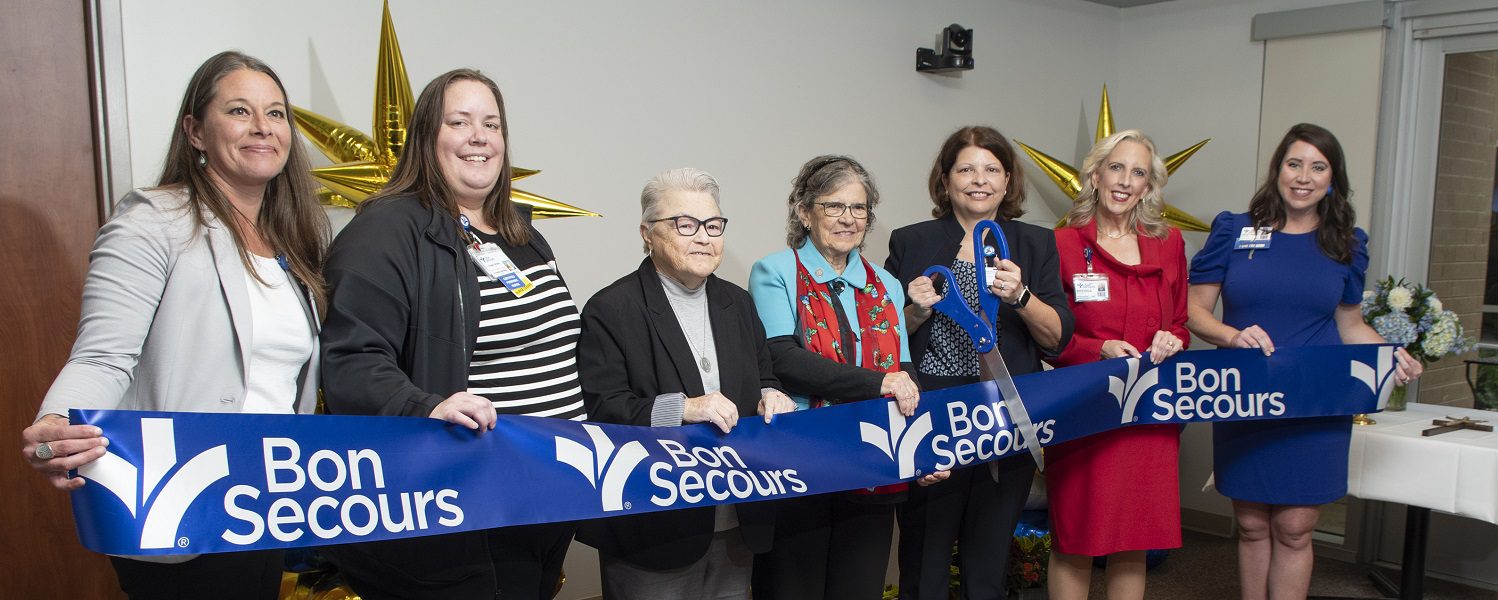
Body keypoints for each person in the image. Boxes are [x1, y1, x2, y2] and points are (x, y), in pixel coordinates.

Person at [19, 51, 328, 599]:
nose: (262, 127)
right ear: (195, 131)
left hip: (262, 507)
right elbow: (102, 356)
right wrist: (56, 420)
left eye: (276, 113)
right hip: (180, 506)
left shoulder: (296, 241)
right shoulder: (153, 222)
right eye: (239, 110)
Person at [319, 69, 585, 599]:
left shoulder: (521, 234)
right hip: (467, 501)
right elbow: (352, 359)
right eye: (459, 122)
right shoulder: (386, 229)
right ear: (426, 137)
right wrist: (423, 407)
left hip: (550, 494)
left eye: (491, 123)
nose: (479, 136)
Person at [1186, 123, 1422, 600]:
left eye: (1318, 167)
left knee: (1295, 526)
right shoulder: (1234, 229)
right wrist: (1233, 336)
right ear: (1278, 170)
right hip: (1248, 393)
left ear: (1332, 179)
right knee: (1251, 524)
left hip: (1317, 399)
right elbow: (1192, 311)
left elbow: (1350, 324)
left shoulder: (1345, 243)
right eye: (1294, 164)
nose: (1303, 177)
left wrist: (1390, 353)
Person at [576, 168, 796, 600]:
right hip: (653, 527)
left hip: (737, 518)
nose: (704, 238)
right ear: (647, 233)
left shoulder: (738, 302)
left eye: (714, 225)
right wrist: (683, 408)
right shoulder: (611, 309)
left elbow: (764, 375)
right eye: (685, 224)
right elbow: (601, 410)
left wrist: (772, 394)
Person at [885, 126, 1074, 600]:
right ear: (945, 179)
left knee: (987, 563)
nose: (979, 179)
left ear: (1007, 182)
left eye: (991, 169)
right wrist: (916, 310)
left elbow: (1057, 339)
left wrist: (1022, 296)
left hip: (1004, 419)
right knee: (923, 564)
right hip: (932, 418)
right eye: (966, 168)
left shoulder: (1034, 243)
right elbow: (883, 340)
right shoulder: (911, 240)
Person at [746, 155, 921, 599]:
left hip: (874, 460)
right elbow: (782, 358)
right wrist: (875, 383)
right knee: (792, 588)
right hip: (801, 459)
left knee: (858, 588)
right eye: (833, 206)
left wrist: (923, 446)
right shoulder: (775, 271)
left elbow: (904, 372)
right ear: (804, 212)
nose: (848, 218)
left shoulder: (888, 285)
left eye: (859, 208)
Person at [1044, 130, 1187, 600]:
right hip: (1086, 412)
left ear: (1149, 185)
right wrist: (1097, 348)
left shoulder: (1170, 245)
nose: (1126, 181)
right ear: (1095, 174)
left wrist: (1173, 338)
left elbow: (1182, 322)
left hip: (1149, 414)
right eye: (1117, 168)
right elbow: (1047, 335)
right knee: (1075, 538)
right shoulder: (1060, 245)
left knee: (1135, 540)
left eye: (1139, 172)